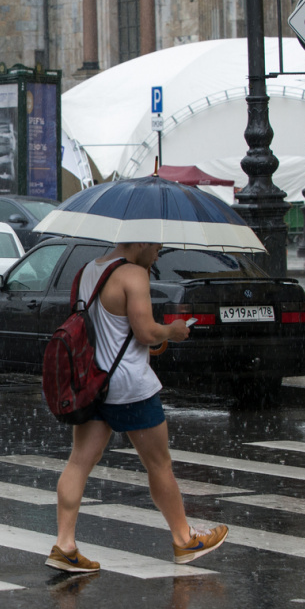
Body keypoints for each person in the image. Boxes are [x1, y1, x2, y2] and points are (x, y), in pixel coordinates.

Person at [46, 242, 228, 574]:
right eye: (156, 247)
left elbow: (107, 330)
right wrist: (172, 331)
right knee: (159, 465)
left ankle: (65, 544)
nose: (158, 255)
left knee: (78, 462)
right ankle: (184, 539)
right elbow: (145, 332)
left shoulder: (89, 270)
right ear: (141, 242)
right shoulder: (133, 274)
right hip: (131, 387)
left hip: (94, 383)